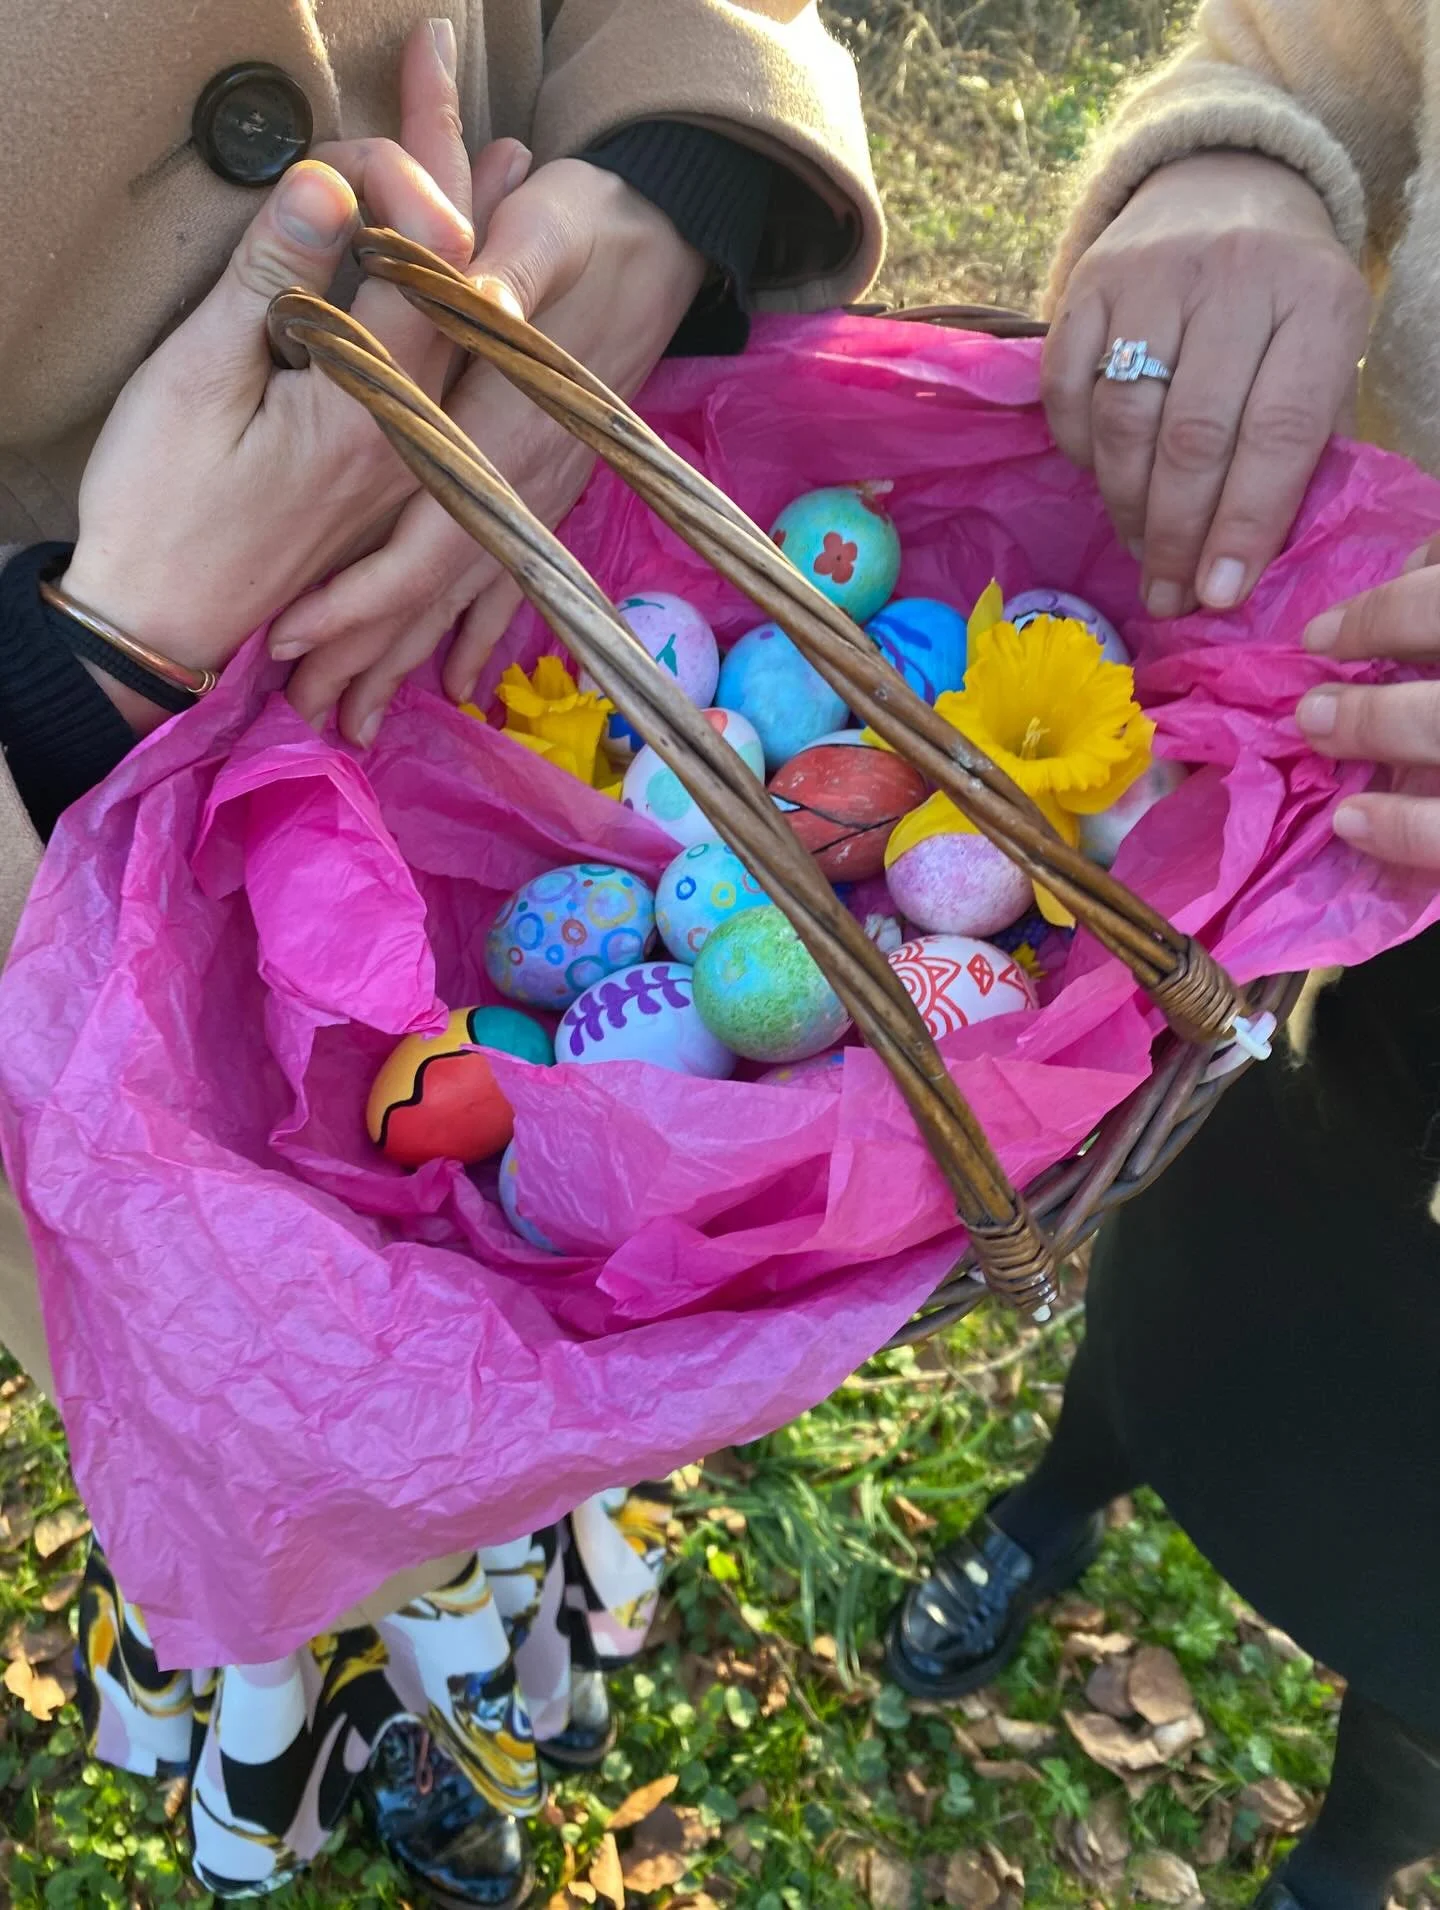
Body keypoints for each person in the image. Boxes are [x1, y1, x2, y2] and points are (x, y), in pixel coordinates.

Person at [0, 4, 882, 1901]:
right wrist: (83, 672)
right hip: (60, 880)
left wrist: (671, 167)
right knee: (252, 1387)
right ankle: (280, 1653)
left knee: (506, 1287)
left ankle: (467, 1627)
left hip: (534, 582)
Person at [886, 6, 1440, 1908]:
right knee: (1198, 1263)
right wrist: (1245, 153)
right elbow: (1322, 42)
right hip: (1350, 867)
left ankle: (1363, 1842)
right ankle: (1059, 1504)